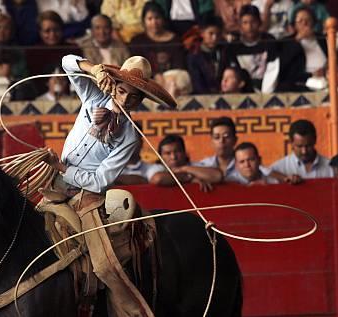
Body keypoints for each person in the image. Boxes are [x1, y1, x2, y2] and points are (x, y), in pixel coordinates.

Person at [43, 53, 176, 316]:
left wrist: (62, 168)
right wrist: (94, 70)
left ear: (141, 100)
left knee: (104, 265)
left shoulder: (130, 137)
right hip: (54, 185)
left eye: (134, 97)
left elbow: (100, 181)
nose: (125, 100)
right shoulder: (92, 97)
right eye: (122, 90)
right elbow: (67, 61)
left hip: (87, 198)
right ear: (113, 84)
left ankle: (131, 311)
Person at [223, 4, 280, 93]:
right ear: (240, 26)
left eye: (253, 22)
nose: (249, 27)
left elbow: (273, 70)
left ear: (259, 23)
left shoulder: (269, 41)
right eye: (245, 23)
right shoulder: (233, 46)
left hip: (268, 90)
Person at [277, 6, 327, 92]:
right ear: (295, 24)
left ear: (313, 23)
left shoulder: (322, 38)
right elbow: (284, 68)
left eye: (308, 20)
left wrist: (326, 70)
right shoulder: (287, 41)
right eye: (300, 21)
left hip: (325, 78)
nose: (304, 23)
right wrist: (297, 40)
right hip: (301, 83)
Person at [129, 1, 186, 76]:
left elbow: (179, 66)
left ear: (163, 19)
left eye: (157, 18)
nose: (154, 22)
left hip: (173, 80)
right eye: (150, 19)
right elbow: (135, 68)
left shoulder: (175, 40)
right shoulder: (137, 41)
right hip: (146, 81)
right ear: (144, 21)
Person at [151, 134, 223, 191]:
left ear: (184, 152)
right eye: (168, 153)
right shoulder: (158, 168)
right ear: (161, 156)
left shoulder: (196, 166)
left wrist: (183, 169)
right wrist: (189, 178)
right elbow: (158, 179)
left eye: (177, 151)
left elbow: (217, 176)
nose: (173, 157)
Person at [187, 15, 224, 94]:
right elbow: (196, 82)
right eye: (211, 33)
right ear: (202, 33)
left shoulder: (225, 52)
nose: (214, 38)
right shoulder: (194, 55)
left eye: (217, 34)